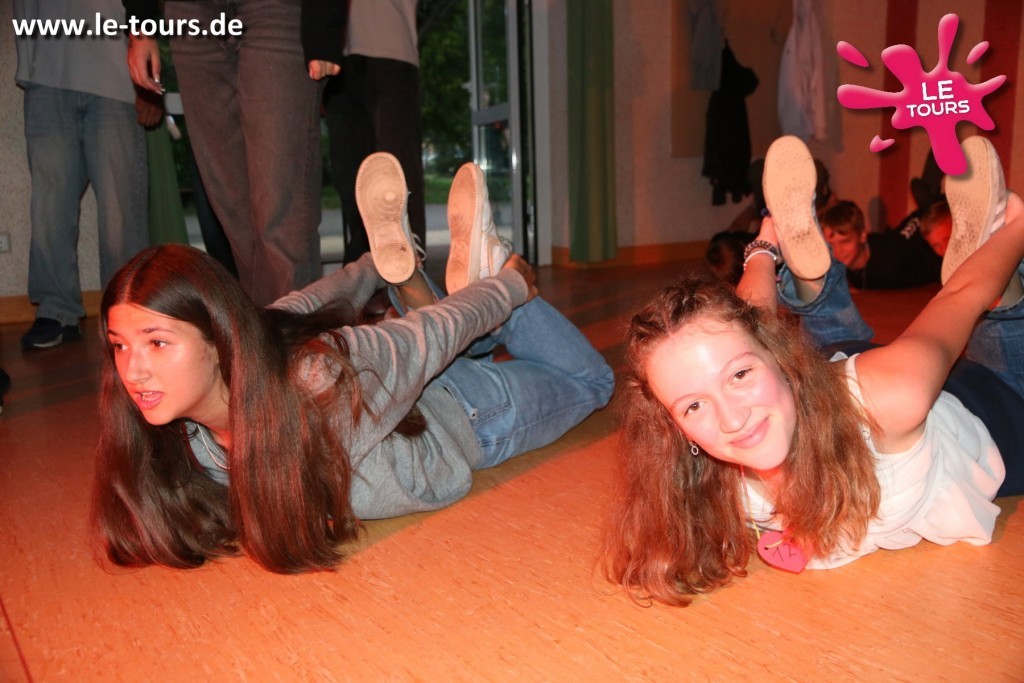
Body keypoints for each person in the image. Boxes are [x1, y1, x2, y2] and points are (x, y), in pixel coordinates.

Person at [90, 153, 614, 573]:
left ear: (219, 338)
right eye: (119, 345)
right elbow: (305, 304)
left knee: (593, 381)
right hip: (401, 394)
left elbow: (426, 338)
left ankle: (493, 266)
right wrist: (372, 265)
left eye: (157, 343)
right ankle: (416, 277)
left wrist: (511, 286)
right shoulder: (190, 429)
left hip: (470, 415)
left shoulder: (314, 384)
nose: (132, 372)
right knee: (447, 344)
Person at [604, 135, 1024, 606]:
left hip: (991, 408)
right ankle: (814, 284)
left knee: (1000, 321)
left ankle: (1006, 277)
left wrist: (1018, 228)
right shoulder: (703, 471)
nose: (733, 419)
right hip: (829, 371)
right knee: (782, 348)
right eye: (694, 406)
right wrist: (764, 246)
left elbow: (961, 296)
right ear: (672, 426)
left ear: (778, 353)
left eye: (739, 377)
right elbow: (749, 321)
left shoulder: (893, 396)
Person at [123, 0, 345, 306]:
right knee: (232, 210)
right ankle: (262, 326)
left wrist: (325, 26)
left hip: (275, 10)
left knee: (280, 204)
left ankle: (292, 328)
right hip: (190, 14)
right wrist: (141, 25)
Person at [15, 0, 153, 349]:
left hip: (117, 74)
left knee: (121, 210)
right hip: (46, 74)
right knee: (49, 206)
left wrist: (148, 80)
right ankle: (56, 310)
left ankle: (127, 308)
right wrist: (27, 64)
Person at [323, 0, 427, 266]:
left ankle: (412, 271)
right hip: (335, 54)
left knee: (400, 174)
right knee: (351, 179)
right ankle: (365, 273)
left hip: (393, 46)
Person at [820, 199, 942, 290]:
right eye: (830, 245)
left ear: (862, 235)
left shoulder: (894, 251)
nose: (837, 251)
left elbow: (917, 219)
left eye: (845, 242)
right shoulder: (830, 262)